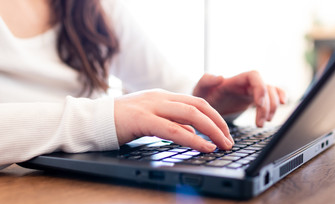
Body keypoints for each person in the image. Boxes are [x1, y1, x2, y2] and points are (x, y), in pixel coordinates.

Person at [0, 0, 286, 169]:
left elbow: (166, 84)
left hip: (90, 195)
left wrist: (206, 103)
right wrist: (104, 118)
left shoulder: (95, 7)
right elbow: (116, 116)